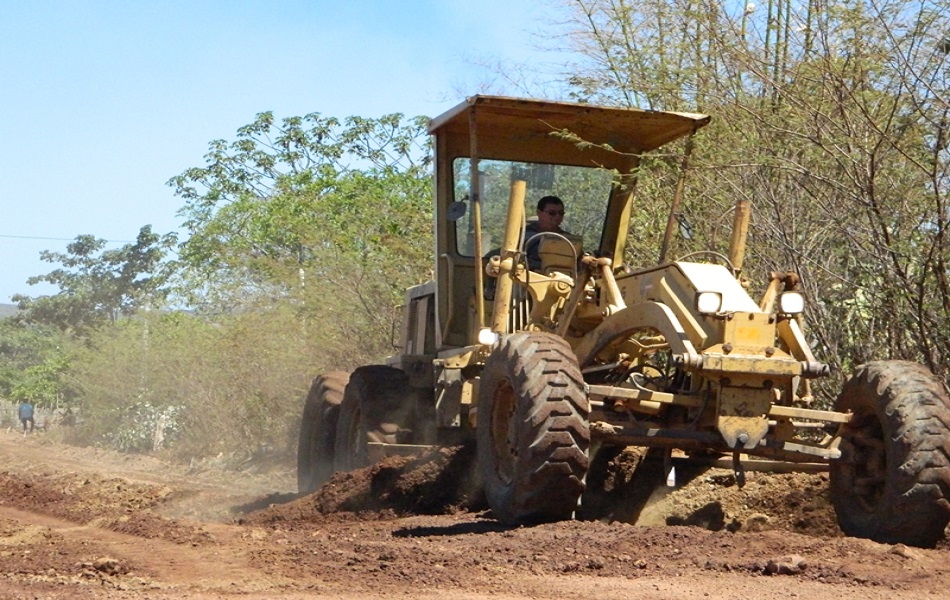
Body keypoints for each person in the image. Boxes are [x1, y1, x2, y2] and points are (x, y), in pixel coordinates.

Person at [524, 195, 571, 272]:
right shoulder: (522, 235)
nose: (557, 216)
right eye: (552, 213)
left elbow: (578, 258)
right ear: (539, 213)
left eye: (561, 213)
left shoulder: (568, 239)